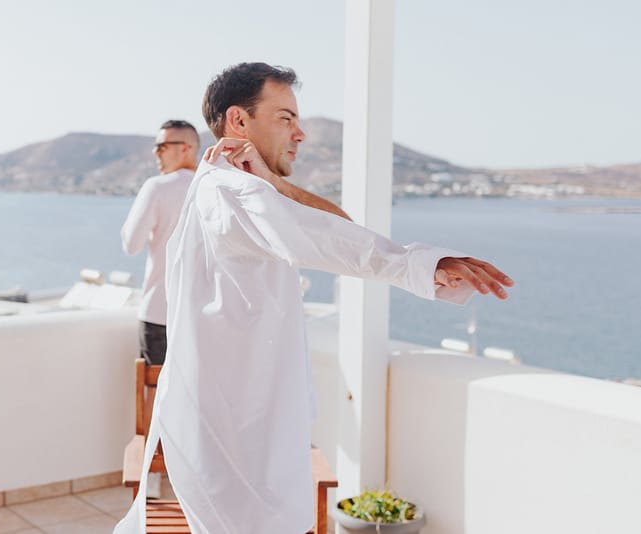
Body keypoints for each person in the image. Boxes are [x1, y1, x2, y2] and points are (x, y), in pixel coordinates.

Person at [114, 63, 513, 534]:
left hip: (244, 437)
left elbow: (329, 226)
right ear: (239, 121)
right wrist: (418, 265)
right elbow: (329, 240)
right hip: (242, 448)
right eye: (285, 118)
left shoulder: (236, 189)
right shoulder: (232, 193)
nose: (300, 133)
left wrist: (276, 184)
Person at [121, 119, 200, 366]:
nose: (155, 152)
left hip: (159, 313)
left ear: (185, 148)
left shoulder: (156, 187)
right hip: (203, 317)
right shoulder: (215, 188)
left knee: (156, 401)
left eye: (162, 146)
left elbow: (131, 244)